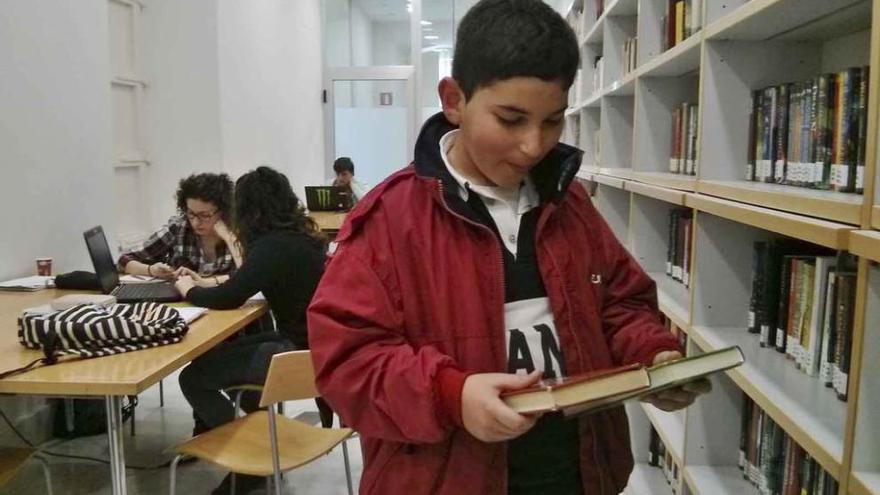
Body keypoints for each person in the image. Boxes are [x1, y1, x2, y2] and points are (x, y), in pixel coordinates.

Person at [306, 1, 710, 494]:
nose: (533, 146)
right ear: (454, 99)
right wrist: (451, 395)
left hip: (577, 474)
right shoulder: (390, 220)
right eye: (511, 119)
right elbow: (348, 361)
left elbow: (619, 304)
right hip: (446, 477)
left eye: (553, 121)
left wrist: (655, 355)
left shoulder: (570, 203)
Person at [174, 166, 326, 494]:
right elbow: (247, 279)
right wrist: (210, 282)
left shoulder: (271, 246)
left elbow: (229, 297)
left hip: (295, 352)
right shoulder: (301, 237)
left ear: (249, 209)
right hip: (315, 346)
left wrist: (188, 289)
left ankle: (248, 462)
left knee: (193, 377)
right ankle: (257, 447)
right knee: (221, 362)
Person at [118, 173, 240, 280]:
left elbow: (248, 274)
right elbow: (124, 260)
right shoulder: (178, 227)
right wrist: (151, 270)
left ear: (223, 211)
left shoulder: (238, 231)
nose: (196, 222)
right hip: (183, 301)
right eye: (191, 213)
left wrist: (230, 239)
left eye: (205, 215)